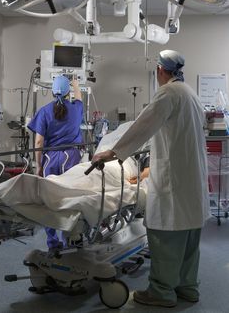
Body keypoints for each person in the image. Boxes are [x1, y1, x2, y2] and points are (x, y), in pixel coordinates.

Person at [92, 50, 210, 308]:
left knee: (164, 238)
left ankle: (161, 292)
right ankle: (187, 288)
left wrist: (112, 153)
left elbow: (142, 127)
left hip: (174, 183)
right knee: (189, 243)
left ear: (159, 70)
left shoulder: (167, 94)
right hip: (192, 183)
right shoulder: (190, 94)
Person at [27, 75, 83, 249]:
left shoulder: (44, 111)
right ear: (68, 93)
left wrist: (38, 166)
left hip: (51, 159)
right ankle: (70, 239)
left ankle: (52, 242)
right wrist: (75, 84)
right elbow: (79, 98)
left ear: (52, 91)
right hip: (72, 158)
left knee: (49, 201)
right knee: (70, 200)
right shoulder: (76, 108)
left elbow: (38, 143)